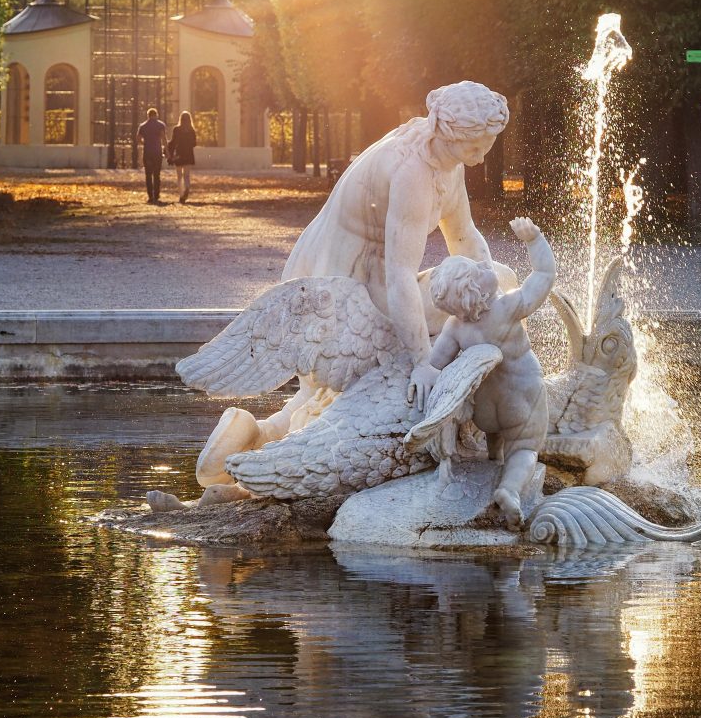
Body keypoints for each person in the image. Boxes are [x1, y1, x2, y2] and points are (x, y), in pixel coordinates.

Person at [194, 80, 516, 492]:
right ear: (450, 133)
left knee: (495, 284)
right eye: (477, 146)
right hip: (345, 282)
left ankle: (249, 438)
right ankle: (258, 445)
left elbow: (465, 235)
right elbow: (400, 275)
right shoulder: (414, 174)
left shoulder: (440, 155)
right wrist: (422, 361)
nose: (483, 155)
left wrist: (489, 279)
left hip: (351, 274)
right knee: (367, 380)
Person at [424, 217, 556, 526]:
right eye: (477, 270)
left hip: (485, 411)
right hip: (522, 394)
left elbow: (434, 364)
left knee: (495, 435)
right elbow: (544, 275)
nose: (485, 268)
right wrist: (534, 240)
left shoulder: (455, 327)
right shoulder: (507, 308)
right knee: (524, 447)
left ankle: (494, 459)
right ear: (476, 288)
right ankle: (509, 489)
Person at [137, 107, 166, 204]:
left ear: (148, 115)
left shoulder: (143, 126)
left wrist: (144, 143)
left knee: (148, 175)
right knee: (157, 174)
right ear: (156, 115)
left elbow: (138, 138)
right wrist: (167, 150)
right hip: (157, 152)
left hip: (147, 152)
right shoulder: (161, 125)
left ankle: (150, 196)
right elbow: (164, 138)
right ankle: (156, 195)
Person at [168, 111, 197, 203]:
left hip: (179, 154)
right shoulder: (192, 130)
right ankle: (187, 187)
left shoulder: (176, 129)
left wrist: (170, 154)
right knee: (187, 175)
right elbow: (194, 143)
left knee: (179, 176)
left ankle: (181, 195)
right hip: (188, 154)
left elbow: (173, 142)